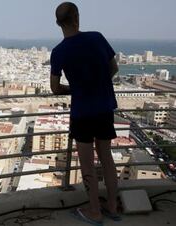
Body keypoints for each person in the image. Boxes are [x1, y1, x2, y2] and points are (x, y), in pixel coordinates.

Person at [50, 2, 121, 226]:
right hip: (104, 106)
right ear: (77, 17)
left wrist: (75, 88)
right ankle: (112, 206)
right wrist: (98, 84)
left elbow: (55, 88)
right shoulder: (97, 38)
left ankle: (94, 211)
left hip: (82, 112)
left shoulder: (59, 52)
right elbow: (114, 68)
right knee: (107, 157)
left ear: (58, 23)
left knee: (87, 164)